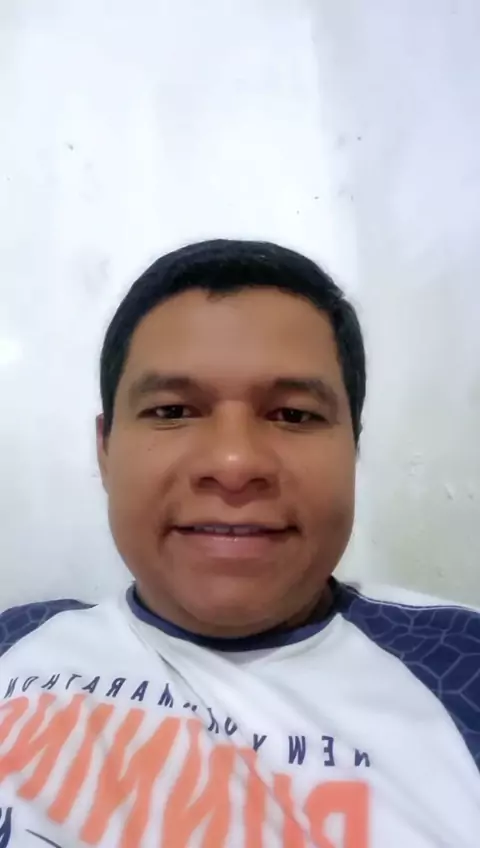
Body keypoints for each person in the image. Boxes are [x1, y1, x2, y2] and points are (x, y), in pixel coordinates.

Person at [0, 240, 478, 848]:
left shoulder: (462, 666)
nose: (233, 464)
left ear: (353, 447)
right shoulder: (16, 644)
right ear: (105, 448)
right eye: (172, 410)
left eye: (294, 415)